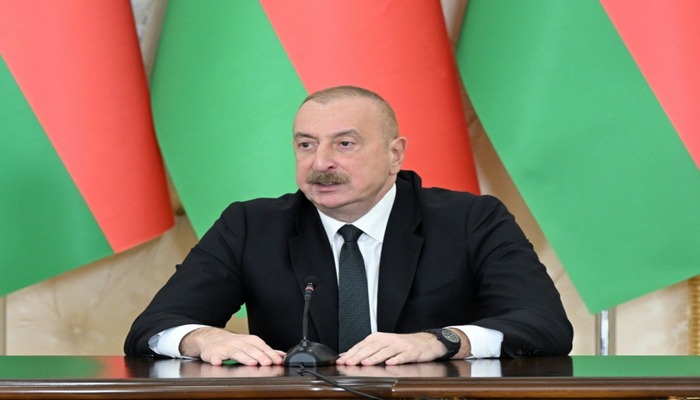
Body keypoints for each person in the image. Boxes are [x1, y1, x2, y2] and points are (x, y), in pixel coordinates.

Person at [125, 85, 573, 367]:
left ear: (395, 154)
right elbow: (154, 327)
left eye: (345, 144)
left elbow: (545, 325)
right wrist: (201, 338)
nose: (321, 163)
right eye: (306, 145)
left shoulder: (471, 219)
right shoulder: (251, 225)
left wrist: (442, 341)